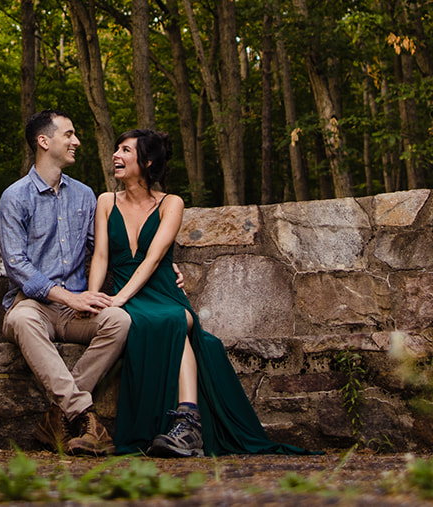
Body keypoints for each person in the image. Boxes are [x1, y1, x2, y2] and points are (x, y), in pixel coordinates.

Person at [90, 128, 309, 457]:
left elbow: (152, 259)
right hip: (125, 288)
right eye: (116, 149)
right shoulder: (105, 201)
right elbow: (101, 256)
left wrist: (120, 299)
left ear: (146, 162)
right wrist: (95, 298)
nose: (115, 156)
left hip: (160, 288)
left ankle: (188, 421)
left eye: (125, 151)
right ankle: (186, 423)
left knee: (175, 318)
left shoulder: (171, 203)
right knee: (171, 329)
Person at [0, 108, 130, 456]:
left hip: (74, 313)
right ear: (44, 141)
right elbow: (17, 266)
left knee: (119, 320)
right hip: (34, 307)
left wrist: (162, 267)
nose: (77, 141)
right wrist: (69, 298)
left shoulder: (85, 195)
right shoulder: (15, 197)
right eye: (69, 134)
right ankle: (84, 415)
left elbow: (105, 250)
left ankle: (58, 416)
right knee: (22, 318)